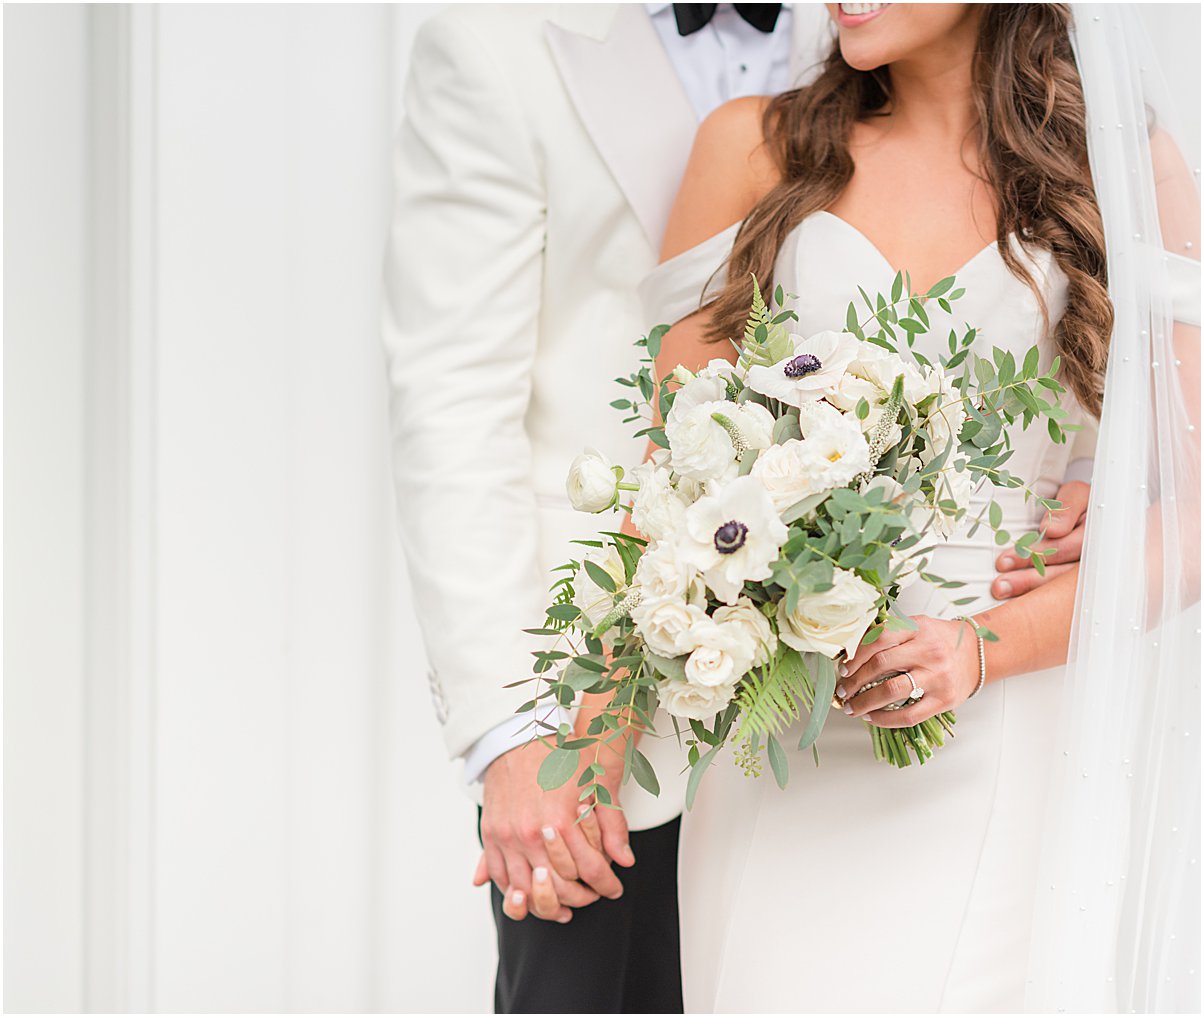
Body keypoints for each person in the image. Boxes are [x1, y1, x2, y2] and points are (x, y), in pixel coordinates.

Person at [381, 3, 1093, 1012]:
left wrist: (1095, 493)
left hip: (896, 720)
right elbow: (452, 410)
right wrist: (515, 732)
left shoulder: (884, 30)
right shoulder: (499, 47)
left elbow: (1080, 387)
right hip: (606, 709)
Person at [640, 2, 1201, 1011]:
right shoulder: (750, 149)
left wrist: (976, 649)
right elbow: (674, 470)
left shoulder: (1122, 167)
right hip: (783, 741)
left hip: (1004, 735)